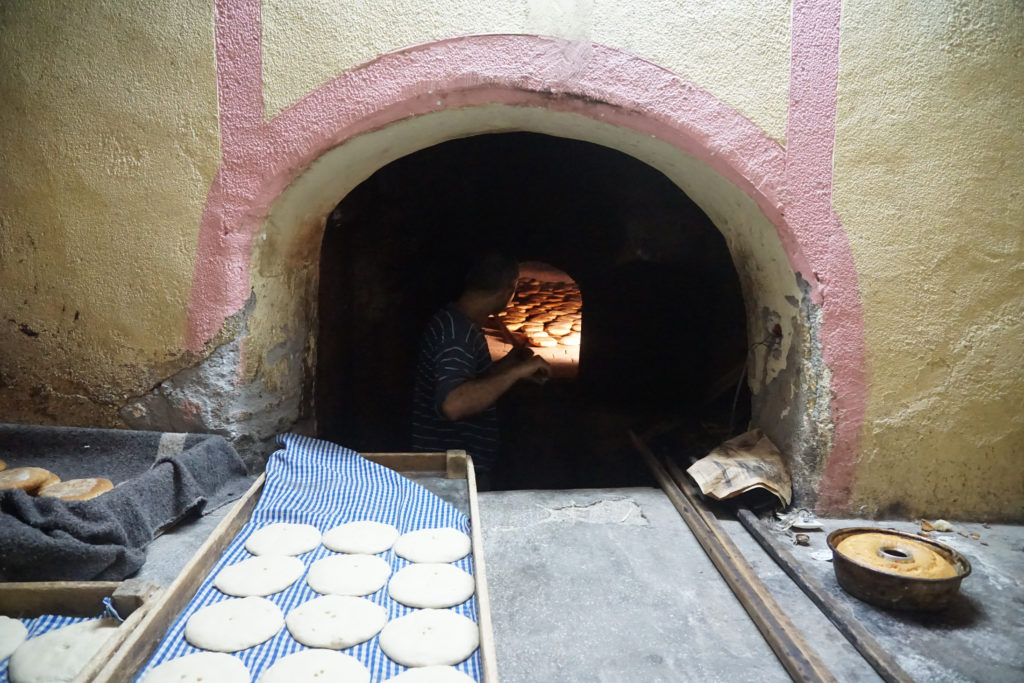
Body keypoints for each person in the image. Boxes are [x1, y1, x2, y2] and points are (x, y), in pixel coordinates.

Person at [412, 254, 550, 489]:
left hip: (457, 468)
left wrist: (508, 365)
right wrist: (515, 373)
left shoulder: (457, 322)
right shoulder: (456, 334)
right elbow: (453, 404)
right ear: (510, 289)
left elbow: (467, 381)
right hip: (450, 474)